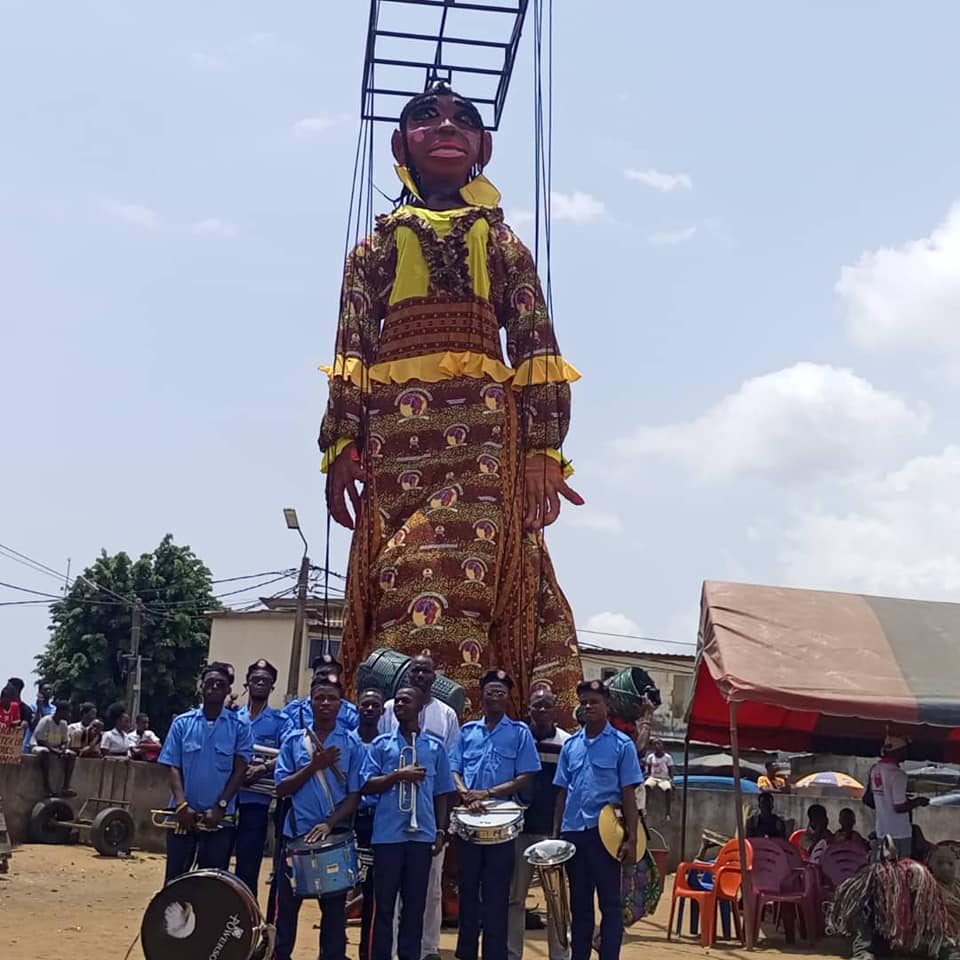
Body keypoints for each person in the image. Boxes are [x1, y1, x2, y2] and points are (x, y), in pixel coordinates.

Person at [322, 80, 585, 723]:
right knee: (390, 576)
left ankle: (456, 732)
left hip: (483, 434)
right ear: (398, 144)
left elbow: (534, 342)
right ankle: (386, 732)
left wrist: (543, 450)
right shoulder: (374, 246)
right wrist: (340, 443)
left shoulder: (501, 242)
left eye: (463, 120)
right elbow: (352, 342)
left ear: (483, 149)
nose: (446, 126)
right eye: (426, 118)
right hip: (392, 431)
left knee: (458, 573)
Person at [273, 673, 365, 960]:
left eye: (332, 699)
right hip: (296, 835)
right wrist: (314, 766)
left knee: (334, 913)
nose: (325, 703)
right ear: (310, 703)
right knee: (287, 907)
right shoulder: (292, 741)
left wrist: (329, 823)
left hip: (334, 838)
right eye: (319, 698)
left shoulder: (351, 743)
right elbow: (281, 788)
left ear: (340, 705)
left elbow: (355, 795)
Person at [450, 670, 541, 960]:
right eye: (491, 691)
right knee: (467, 890)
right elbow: (453, 770)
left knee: (497, 894)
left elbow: (525, 775)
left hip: (502, 821)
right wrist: (466, 794)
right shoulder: (467, 732)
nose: (496, 696)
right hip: (468, 819)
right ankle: (466, 952)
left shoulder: (519, 733)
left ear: (508, 698)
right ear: (482, 695)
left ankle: (494, 954)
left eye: (501, 692)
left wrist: (486, 794)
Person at [363, 686, 455, 960]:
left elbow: (442, 793)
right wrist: (397, 775)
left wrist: (440, 830)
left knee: (416, 907)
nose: (400, 704)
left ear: (419, 707)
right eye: (398, 700)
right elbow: (366, 784)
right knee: (385, 906)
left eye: (406, 700)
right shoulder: (381, 745)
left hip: (422, 836)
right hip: (388, 836)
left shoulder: (435, 747)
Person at [554, 680, 642, 960]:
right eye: (585, 702)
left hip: (606, 836)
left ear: (607, 706)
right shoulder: (570, 745)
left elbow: (629, 793)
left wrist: (632, 838)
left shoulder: (622, 745)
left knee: (610, 905)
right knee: (580, 906)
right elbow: (561, 792)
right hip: (574, 834)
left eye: (595, 701)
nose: (589, 706)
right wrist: (556, 835)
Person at [158, 661, 254, 883]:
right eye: (209, 683)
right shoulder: (182, 723)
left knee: (211, 884)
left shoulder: (239, 727)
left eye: (220, 684)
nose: (214, 688)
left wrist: (220, 807)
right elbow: (172, 765)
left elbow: (240, 769)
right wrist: (182, 805)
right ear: (201, 686)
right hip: (182, 817)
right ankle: (174, 920)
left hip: (219, 820)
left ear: (228, 690)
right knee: (175, 881)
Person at [508, 686, 571, 960]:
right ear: (529, 709)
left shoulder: (567, 743)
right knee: (515, 899)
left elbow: (566, 790)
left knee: (556, 900)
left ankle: (560, 955)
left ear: (555, 710)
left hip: (551, 833)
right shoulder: (519, 740)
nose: (542, 710)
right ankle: (512, 954)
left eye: (547, 705)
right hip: (519, 830)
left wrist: (559, 831)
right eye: (537, 705)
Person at [234, 658, 293, 899]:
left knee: (248, 866)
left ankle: (247, 919)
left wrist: (264, 767)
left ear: (273, 687)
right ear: (247, 683)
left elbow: (290, 754)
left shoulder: (281, 722)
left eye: (266, 681)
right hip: (227, 801)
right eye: (255, 679)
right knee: (216, 865)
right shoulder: (232, 718)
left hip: (256, 803)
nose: (260, 683)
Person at [356, 687, 386, 960]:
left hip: (376, 824)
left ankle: (367, 951)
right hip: (347, 822)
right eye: (364, 705)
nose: (369, 709)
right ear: (357, 707)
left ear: (382, 711)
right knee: (337, 890)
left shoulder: (387, 745)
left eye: (374, 706)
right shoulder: (345, 741)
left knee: (372, 891)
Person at [864, 734, 928, 859]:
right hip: (899, 834)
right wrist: (918, 802)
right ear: (897, 751)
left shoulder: (875, 769)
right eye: (905, 750)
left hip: (881, 831)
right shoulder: (898, 775)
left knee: (881, 871)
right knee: (899, 872)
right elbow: (899, 807)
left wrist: (883, 803)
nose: (907, 753)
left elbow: (869, 799)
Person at [283, 653, 359, 732]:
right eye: (321, 674)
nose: (324, 679)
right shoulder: (295, 710)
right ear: (313, 678)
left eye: (330, 676)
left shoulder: (351, 713)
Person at [31, 702, 77, 797]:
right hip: (40, 746)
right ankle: (46, 785)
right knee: (45, 752)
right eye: (67, 712)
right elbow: (40, 740)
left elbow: (65, 741)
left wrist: (63, 749)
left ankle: (66, 786)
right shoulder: (46, 720)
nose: (69, 715)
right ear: (61, 711)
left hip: (56, 748)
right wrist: (54, 750)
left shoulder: (63, 724)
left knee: (71, 754)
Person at [643, 738, 675, 820]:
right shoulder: (650, 757)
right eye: (654, 744)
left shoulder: (667, 757)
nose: (656, 746)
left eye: (658, 744)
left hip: (664, 779)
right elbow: (648, 769)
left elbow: (671, 769)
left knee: (667, 789)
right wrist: (647, 776)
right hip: (653, 777)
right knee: (646, 786)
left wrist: (671, 780)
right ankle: (645, 808)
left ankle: (668, 812)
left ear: (662, 746)